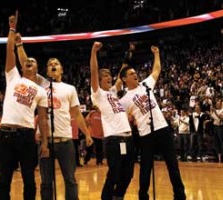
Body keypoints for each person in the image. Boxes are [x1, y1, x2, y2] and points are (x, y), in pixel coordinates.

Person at [16, 31, 93, 200]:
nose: (53, 65)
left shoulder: (70, 88)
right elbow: (25, 63)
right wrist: (19, 45)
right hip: (45, 141)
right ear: (47, 70)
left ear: (61, 69)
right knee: (46, 183)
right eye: (50, 63)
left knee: (70, 180)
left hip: (65, 140)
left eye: (56, 63)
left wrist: (87, 134)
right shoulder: (42, 84)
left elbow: (77, 114)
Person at [119, 45, 186, 200]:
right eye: (131, 74)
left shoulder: (145, 85)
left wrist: (157, 54)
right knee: (145, 168)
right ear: (124, 79)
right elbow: (119, 116)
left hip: (162, 129)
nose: (135, 75)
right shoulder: (125, 100)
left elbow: (156, 70)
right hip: (145, 134)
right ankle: (143, 196)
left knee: (173, 165)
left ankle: (180, 195)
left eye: (135, 73)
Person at [0, 14, 49, 200]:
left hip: (27, 136)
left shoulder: (41, 91)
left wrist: (44, 143)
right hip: (5, 134)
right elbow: (9, 51)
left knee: (29, 180)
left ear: (36, 69)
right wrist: (11, 28)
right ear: (23, 65)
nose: (30, 62)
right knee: (4, 180)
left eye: (33, 62)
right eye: (28, 61)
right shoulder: (13, 77)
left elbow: (42, 119)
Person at [90, 41, 134, 200]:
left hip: (128, 138)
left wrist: (128, 54)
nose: (109, 77)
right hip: (113, 139)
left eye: (110, 75)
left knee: (128, 174)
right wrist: (94, 52)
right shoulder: (98, 94)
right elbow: (94, 72)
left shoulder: (113, 92)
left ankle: (118, 197)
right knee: (114, 174)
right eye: (106, 76)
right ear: (100, 81)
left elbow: (121, 75)